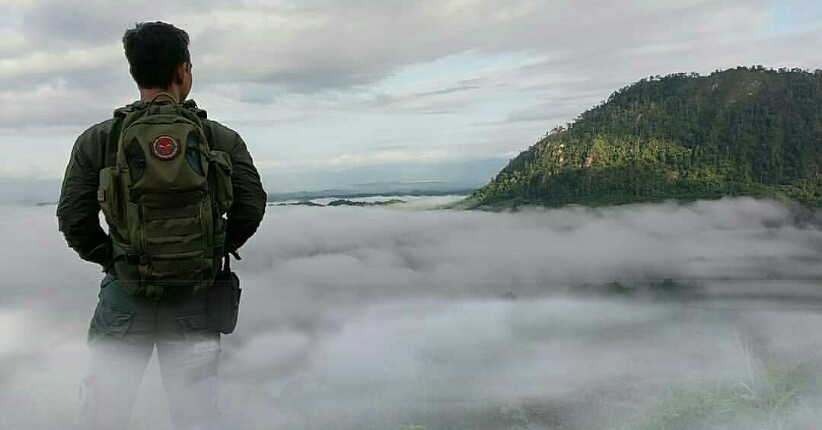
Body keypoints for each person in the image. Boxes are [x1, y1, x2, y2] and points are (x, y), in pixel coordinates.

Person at [56, 21, 267, 429]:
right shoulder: (220, 138)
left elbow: (73, 218)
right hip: (195, 301)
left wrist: (115, 260)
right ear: (183, 70)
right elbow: (252, 205)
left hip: (124, 299)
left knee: (105, 415)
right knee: (197, 416)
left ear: (134, 71)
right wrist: (210, 251)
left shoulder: (98, 140)